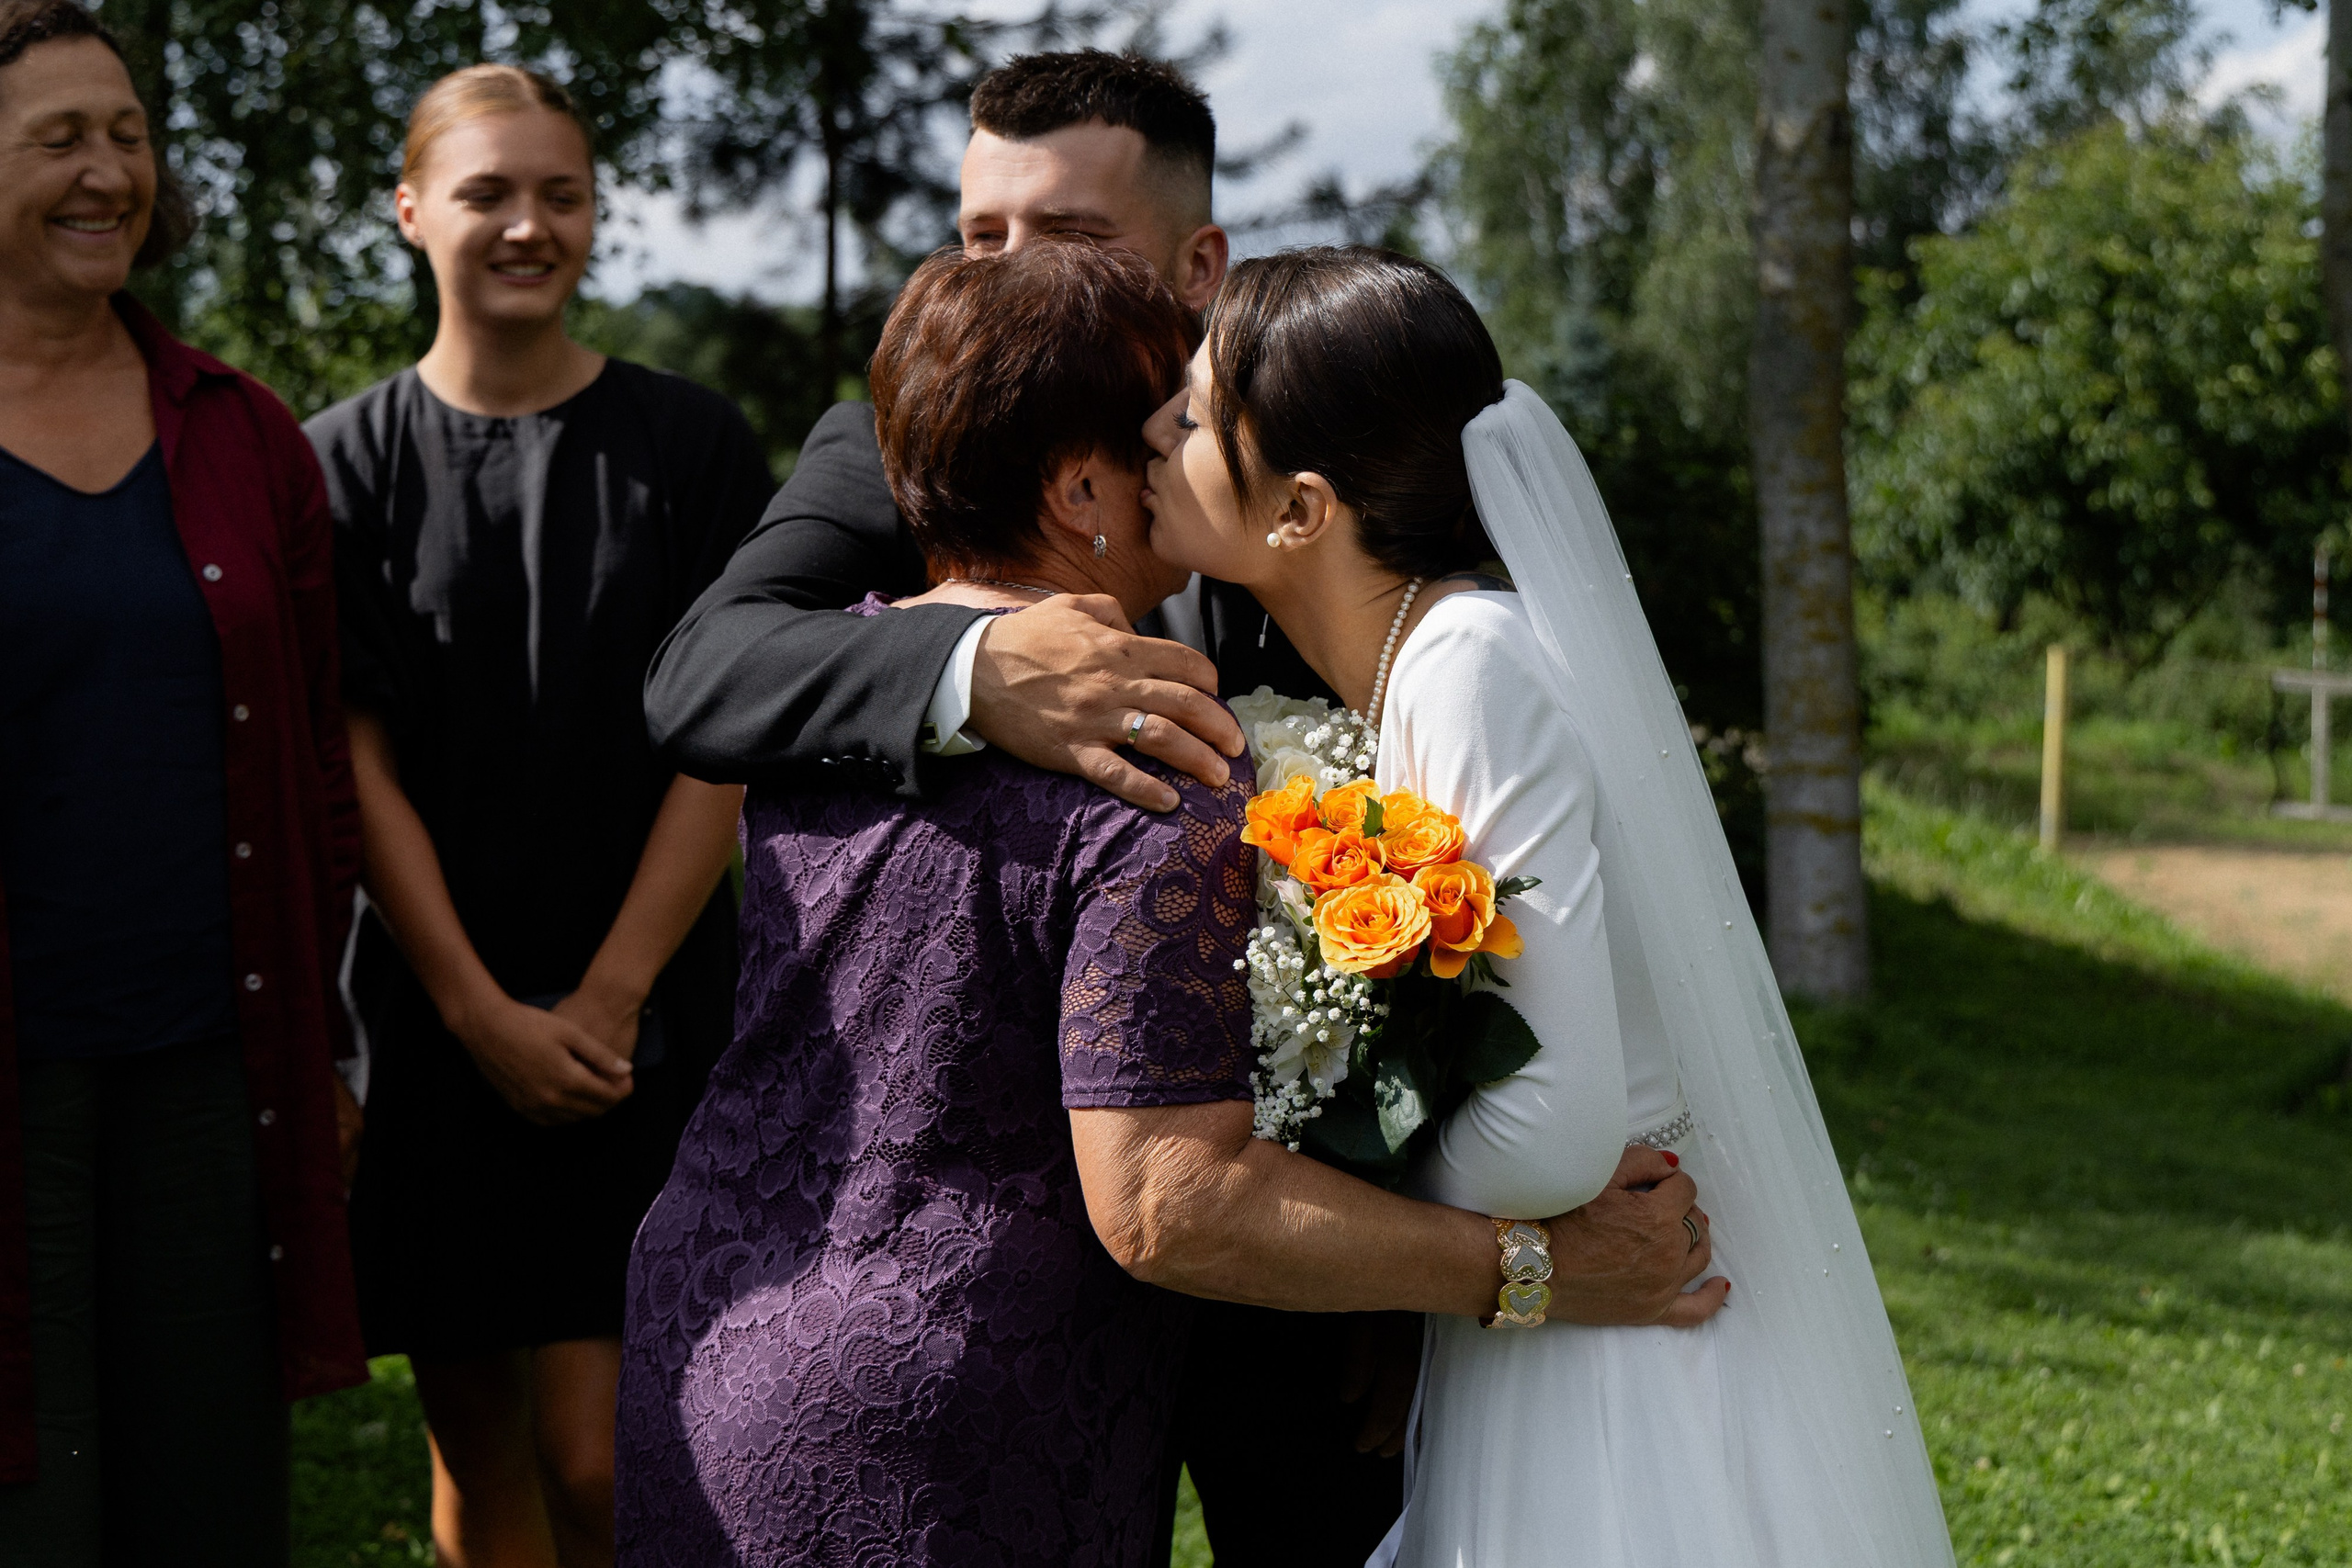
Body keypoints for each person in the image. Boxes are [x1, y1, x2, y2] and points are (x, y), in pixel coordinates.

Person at [639, 49, 1713, 1564]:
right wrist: (976, 663)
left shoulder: (1322, 458)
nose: (1003, 272)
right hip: (986, 1318)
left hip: (1305, 1292)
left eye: (1059, 239)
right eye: (978, 238)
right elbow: (704, 672)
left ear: (1197, 265)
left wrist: (1417, 1261)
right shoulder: (941, 424)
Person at [1138, 246, 1958, 1567]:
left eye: (1189, 417)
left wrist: (1315, 1184)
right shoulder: (1423, 668)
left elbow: (1550, 1133)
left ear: (1298, 509)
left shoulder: (1465, 670)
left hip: (1623, 1358)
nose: (1154, 437)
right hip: (1563, 1322)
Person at [305, 64, 769, 1568]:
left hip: (640, 1024)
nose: (527, 224)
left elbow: (728, 743)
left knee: (599, 1452)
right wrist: (479, 1013)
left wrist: (613, 997)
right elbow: (353, 762)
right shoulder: (338, 465)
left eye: (558, 194)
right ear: (409, 209)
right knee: (477, 1454)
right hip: (441, 1027)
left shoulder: (690, 447)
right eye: (488, 192)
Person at [0, 3, 368, 1561]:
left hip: (211, 1071)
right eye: (59, 139)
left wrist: (340, 1039)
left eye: (128, 135)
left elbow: (314, 769)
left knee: (205, 1507)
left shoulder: (245, 437)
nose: (107, 174)